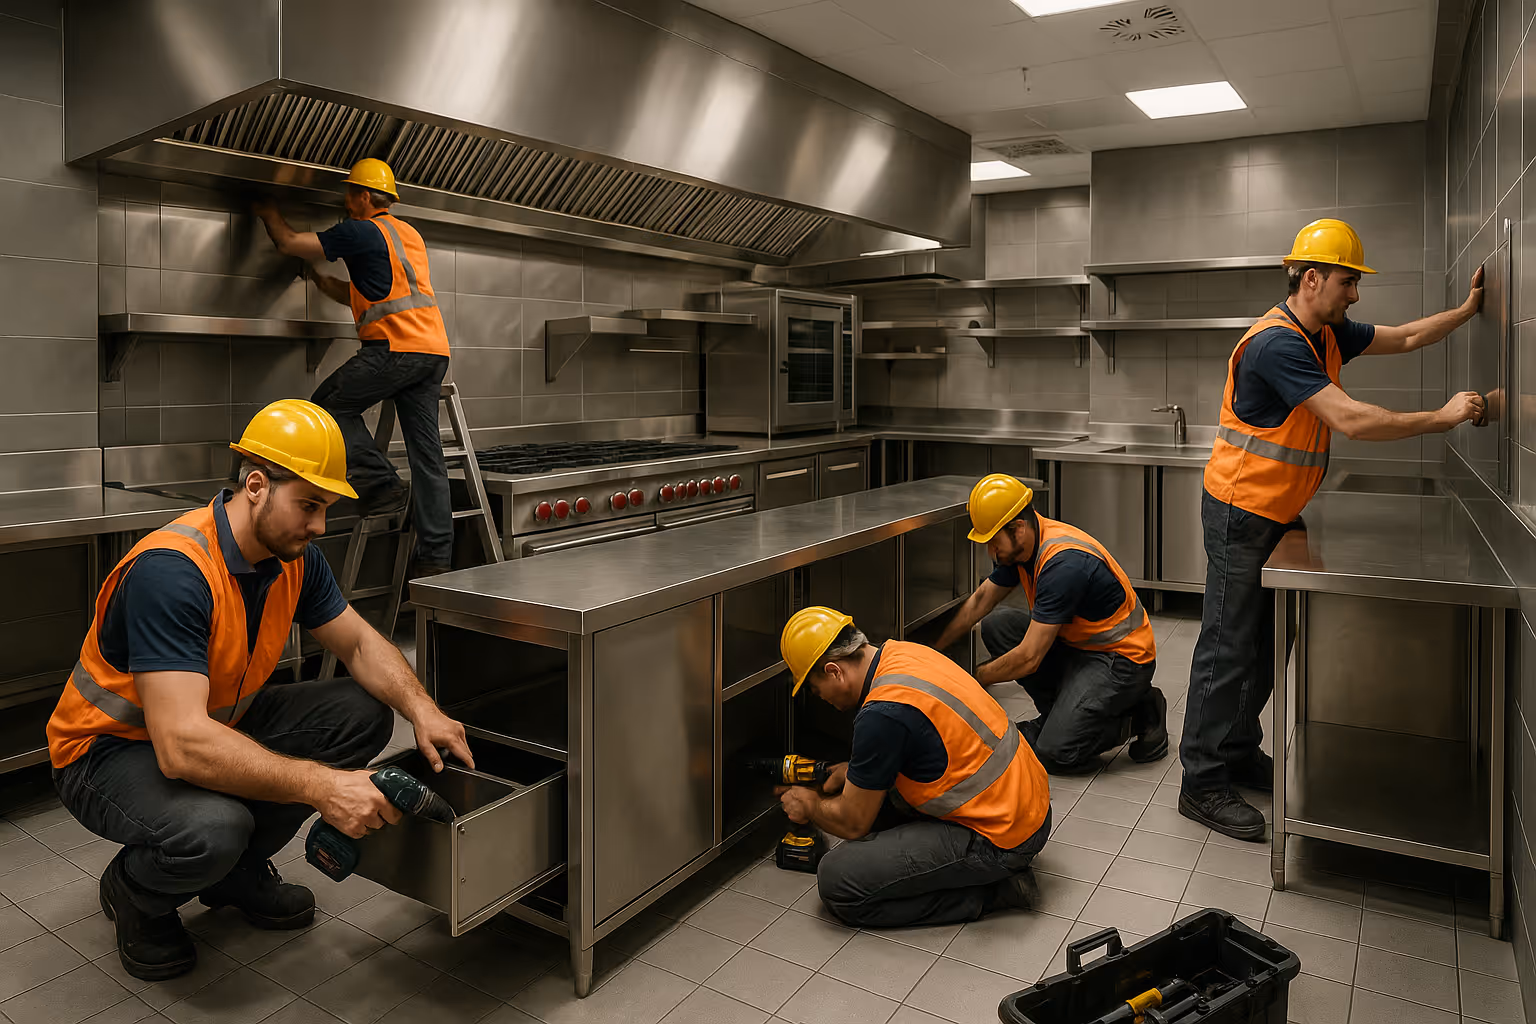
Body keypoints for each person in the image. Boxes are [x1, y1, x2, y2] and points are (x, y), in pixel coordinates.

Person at [46, 399, 475, 982]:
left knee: (360, 712)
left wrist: (423, 709)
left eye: (325, 508)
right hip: (107, 751)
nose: (319, 526)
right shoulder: (174, 572)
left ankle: (236, 873)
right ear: (256, 486)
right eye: (309, 505)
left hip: (212, 722)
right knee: (214, 828)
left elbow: (357, 644)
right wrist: (324, 786)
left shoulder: (293, 558)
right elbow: (181, 747)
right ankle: (135, 892)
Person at [1180, 218, 1487, 840]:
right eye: (1348, 281)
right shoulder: (1278, 345)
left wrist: (1467, 310)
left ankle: (1234, 749)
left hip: (1274, 511)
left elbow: (1406, 337)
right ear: (1312, 279)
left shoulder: (1325, 333)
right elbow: (1351, 420)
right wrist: (1443, 417)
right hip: (1241, 512)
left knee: (1267, 642)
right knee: (1228, 643)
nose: (1355, 293)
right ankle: (1201, 781)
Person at [777, 606, 1052, 928]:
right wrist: (855, 770)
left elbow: (853, 824)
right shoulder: (903, 654)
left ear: (834, 670)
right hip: (1028, 805)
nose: (819, 697)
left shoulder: (880, 714)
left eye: (814, 688)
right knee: (875, 805)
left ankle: (996, 891)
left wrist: (811, 805)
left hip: (1004, 839)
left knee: (838, 880)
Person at [254, 158, 453, 579]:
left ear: (363, 196)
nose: (345, 203)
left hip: (395, 349)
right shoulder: (408, 235)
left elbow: (289, 242)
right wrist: (317, 279)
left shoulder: (359, 231)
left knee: (327, 407)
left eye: (348, 194)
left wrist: (267, 208)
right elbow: (359, 293)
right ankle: (436, 556)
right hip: (432, 351)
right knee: (428, 456)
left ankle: (381, 486)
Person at [934, 474, 1166, 774]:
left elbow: (1029, 658)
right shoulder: (1022, 547)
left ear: (1018, 528)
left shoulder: (1063, 564)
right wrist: (933, 651)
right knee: (998, 625)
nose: (990, 552)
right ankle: (1065, 715)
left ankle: (1141, 713)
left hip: (1122, 660)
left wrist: (971, 678)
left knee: (1055, 750)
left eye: (992, 542)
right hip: (1081, 648)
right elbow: (981, 601)